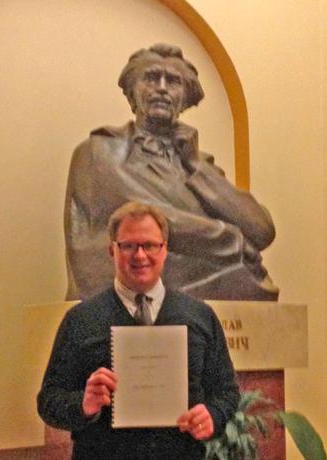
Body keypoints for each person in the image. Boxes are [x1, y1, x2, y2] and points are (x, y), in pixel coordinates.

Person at [64, 43, 279, 302]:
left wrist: (196, 166)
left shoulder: (198, 163)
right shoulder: (99, 150)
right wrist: (231, 240)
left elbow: (261, 231)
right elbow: (142, 217)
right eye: (152, 78)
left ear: (185, 99)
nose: (162, 88)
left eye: (173, 82)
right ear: (132, 93)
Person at [38, 201, 239, 460]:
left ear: (164, 249)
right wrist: (83, 405)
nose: (140, 255)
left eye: (150, 245)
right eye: (129, 245)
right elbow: (48, 401)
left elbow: (227, 392)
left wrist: (212, 414)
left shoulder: (200, 316)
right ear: (112, 250)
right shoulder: (80, 320)